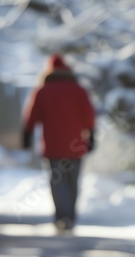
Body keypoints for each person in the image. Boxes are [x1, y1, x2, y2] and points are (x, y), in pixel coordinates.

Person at [23, 54, 96, 231]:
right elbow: (89, 115)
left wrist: (27, 135)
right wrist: (92, 136)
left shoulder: (42, 90)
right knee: (73, 182)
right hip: (76, 146)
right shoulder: (79, 90)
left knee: (58, 182)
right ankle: (70, 216)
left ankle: (61, 216)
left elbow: (32, 116)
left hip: (53, 145)